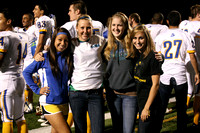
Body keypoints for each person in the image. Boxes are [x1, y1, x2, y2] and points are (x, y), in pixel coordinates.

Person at [155, 10, 200, 133]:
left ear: (167, 21)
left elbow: (157, 58)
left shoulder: (161, 37)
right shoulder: (185, 35)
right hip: (180, 74)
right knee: (181, 110)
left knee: (161, 107)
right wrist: (197, 72)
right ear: (180, 21)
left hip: (165, 74)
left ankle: (157, 129)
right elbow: (192, 56)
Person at [23, 27, 73, 133]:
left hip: (64, 102)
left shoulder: (70, 58)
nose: (62, 43)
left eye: (66, 40)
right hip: (49, 102)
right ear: (54, 40)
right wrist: (37, 90)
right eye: (59, 40)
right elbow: (26, 72)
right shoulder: (44, 57)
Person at [68, 14, 106, 133]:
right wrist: (41, 54)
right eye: (82, 28)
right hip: (77, 93)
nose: (85, 31)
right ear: (77, 28)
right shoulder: (71, 44)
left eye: (88, 28)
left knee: (98, 130)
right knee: (80, 130)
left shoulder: (101, 40)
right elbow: (55, 51)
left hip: (96, 93)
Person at [103, 12, 138, 133]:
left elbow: (148, 55)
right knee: (117, 129)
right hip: (113, 95)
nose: (116, 28)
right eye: (113, 25)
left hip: (131, 95)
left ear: (125, 26)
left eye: (119, 25)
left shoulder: (133, 43)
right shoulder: (106, 45)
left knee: (128, 130)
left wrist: (160, 57)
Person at [0, 8, 29, 133]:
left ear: (8, 21)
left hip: (7, 80)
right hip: (20, 79)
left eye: (0, 19)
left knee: (7, 119)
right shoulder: (23, 35)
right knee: (20, 119)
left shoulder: (4, 36)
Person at [130, 25, 163, 133]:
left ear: (147, 39)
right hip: (140, 101)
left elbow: (156, 85)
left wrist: (146, 108)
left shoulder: (152, 57)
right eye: (135, 38)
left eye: (141, 38)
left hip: (151, 105)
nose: (137, 41)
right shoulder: (136, 55)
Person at [181, 4, 200, 128]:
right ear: (198, 15)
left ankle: (181, 118)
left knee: (189, 90)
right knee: (198, 93)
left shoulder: (183, 23)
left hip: (184, 61)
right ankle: (195, 121)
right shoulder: (198, 25)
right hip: (196, 61)